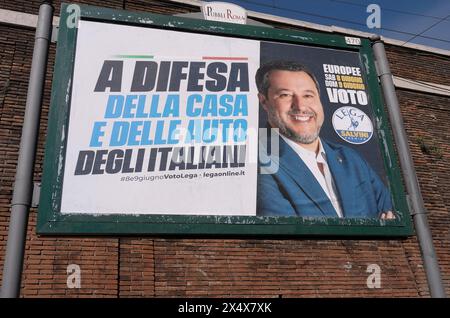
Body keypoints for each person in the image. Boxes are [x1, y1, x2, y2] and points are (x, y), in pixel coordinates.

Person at [256, 60, 395, 219]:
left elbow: (390, 214)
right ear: (263, 101)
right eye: (285, 95)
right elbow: (287, 237)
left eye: (308, 95)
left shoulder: (351, 158)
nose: (300, 106)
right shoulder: (256, 161)